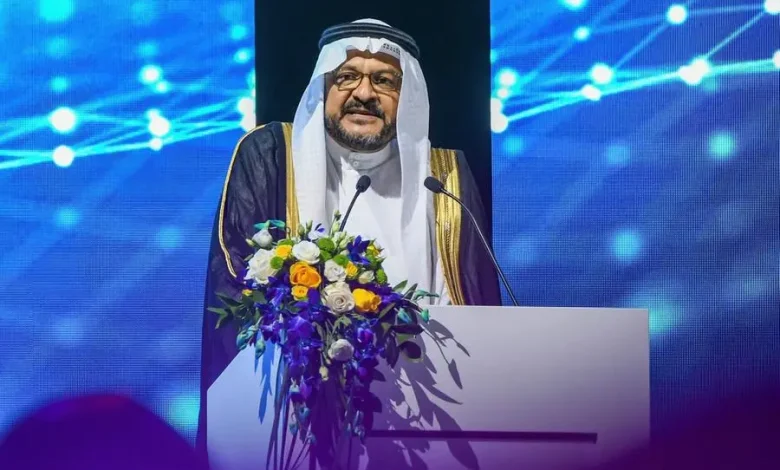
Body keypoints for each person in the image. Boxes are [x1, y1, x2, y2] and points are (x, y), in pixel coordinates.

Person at [196, 18, 501, 459]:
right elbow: (237, 288)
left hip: (432, 426)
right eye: (347, 77)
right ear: (323, 86)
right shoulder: (271, 156)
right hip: (294, 423)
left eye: (384, 81)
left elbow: (477, 298)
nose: (364, 93)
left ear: (407, 96)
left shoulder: (444, 178)